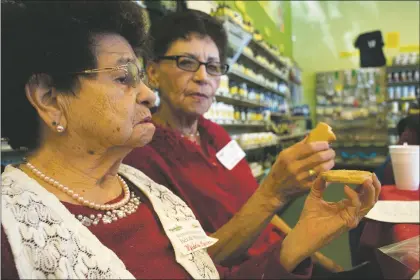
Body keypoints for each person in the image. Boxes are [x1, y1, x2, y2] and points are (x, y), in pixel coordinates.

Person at [1, 2, 380, 279]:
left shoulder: (155, 190)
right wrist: (275, 193)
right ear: (49, 98)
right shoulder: (17, 229)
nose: (148, 95)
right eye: (123, 78)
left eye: (213, 67)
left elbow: (207, 269)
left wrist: (301, 241)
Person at [123, 9, 378, 272]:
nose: (202, 78)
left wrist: (316, 255)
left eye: (213, 67)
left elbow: (257, 206)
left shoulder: (217, 136)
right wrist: (275, 190)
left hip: (287, 257)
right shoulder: (142, 154)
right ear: (152, 72)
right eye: (186, 62)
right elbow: (196, 264)